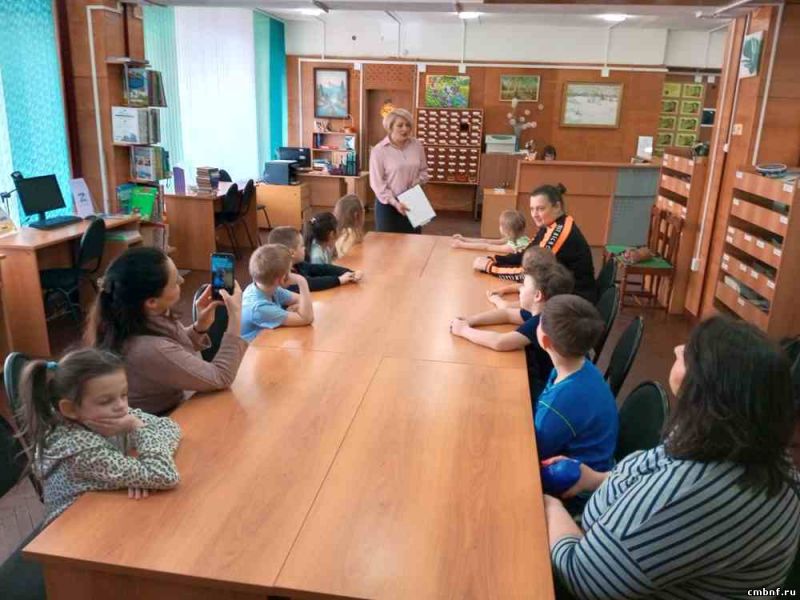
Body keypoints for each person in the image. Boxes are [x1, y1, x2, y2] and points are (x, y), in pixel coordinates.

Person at [545, 316, 800, 598]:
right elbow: (654, 470)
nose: (678, 348)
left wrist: (548, 505)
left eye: (690, 353)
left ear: (708, 389)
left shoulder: (695, 491)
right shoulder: (734, 439)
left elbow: (583, 578)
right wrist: (595, 479)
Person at [16, 348, 181, 526]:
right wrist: (139, 434)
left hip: (106, 509)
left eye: (124, 395)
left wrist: (140, 472)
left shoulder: (108, 415)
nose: (121, 406)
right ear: (70, 409)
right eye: (105, 401)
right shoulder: (80, 449)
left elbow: (170, 427)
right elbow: (164, 475)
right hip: (75, 529)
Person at [85, 247, 247, 416]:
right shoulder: (148, 348)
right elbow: (220, 377)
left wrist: (199, 328)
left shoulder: (136, 317)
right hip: (165, 420)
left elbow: (170, 349)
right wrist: (235, 316)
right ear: (152, 302)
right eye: (175, 281)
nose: (182, 281)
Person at [450, 254, 574, 400]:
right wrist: (470, 320)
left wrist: (464, 330)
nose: (520, 290)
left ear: (537, 296)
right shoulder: (544, 311)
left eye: (524, 286)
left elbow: (500, 342)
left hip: (548, 388)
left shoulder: (543, 321)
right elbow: (507, 314)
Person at [533, 295, 617, 480]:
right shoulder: (582, 366)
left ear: (546, 341)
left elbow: (532, 454)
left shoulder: (559, 404)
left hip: (573, 484)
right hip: (599, 464)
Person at [474, 183, 596, 303]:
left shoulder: (560, 232)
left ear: (557, 207)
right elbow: (526, 254)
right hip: (555, 293)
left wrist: (490, 267)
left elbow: (530, 273)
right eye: (532, 209)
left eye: (540, 209)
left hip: (572, 302)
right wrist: (495, 259)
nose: (534, 215)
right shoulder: (551, 224)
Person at [369, 107, 429, 234]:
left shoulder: (417, 145)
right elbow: (377, 184)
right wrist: (395, 203)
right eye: (400, 125)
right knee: (388, 243)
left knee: (415, 242)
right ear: (390, 127)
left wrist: (419, 181)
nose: (405, 129)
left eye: (408, 125)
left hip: (413, 201)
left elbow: (424, 171)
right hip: (388, 205)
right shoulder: (379, 151)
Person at [240, 244, 314, 342]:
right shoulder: (259, 308)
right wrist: (302, 281)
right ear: (283, 279)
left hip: (268, 341)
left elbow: (301, 300)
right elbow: (307, 318)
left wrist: (300, 307)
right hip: (252, 349)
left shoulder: (266, 287)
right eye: (290, 270)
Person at [268, 226, 362, 291]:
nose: (305, 248)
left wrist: (349, 273)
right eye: (302, 246)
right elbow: (310, 283)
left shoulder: (298, 265)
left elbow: (322, 268)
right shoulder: (283, 277)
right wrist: (339, 280)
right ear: (292, 253)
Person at [451, 209, 529, 253]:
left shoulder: (512, 247)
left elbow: (486, 247)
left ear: (508, 230)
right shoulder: (520, 237)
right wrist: (464, 239)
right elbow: (487, 241)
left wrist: (461, 245)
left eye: (501, 225)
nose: (499, 227)